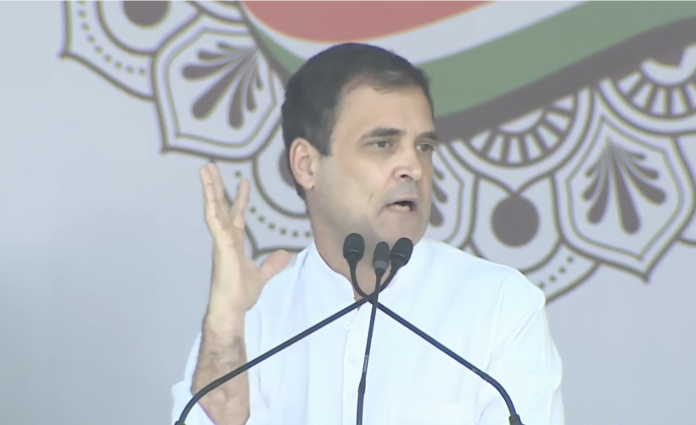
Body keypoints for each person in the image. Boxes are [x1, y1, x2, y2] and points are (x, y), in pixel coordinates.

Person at [171, 43, 564, 425]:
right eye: (382, 144)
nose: (413, 167)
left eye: (423, 146)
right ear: (306, 165)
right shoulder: (252, 317)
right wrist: (226, 322)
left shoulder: (499, 306)